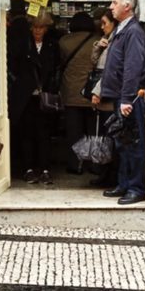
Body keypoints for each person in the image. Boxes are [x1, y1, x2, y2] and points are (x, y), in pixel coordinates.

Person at [99, 0, 145, 205]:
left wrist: (127, 99)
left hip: (129, 98)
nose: (111, 7)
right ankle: (124, 183)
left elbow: (132, 67)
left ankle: (136, 188)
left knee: (133, 143)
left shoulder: (134, 32)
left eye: (114, 2)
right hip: (121, 96)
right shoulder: (122, 29)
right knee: (122, 142)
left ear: (127, 6)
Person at [8, 10, 59, 185]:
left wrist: (50, 88)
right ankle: (28, 169)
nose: (38, 31)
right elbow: (13, 67)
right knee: (27, 134)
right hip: (26, 98)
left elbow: (55, 70)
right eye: (35, 27)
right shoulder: (23, 45)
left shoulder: (52, 46)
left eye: (41, 28)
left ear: (46, 29)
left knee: (44, 135)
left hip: (44, 97)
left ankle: (45, 169)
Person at [58, 12, 100, 175]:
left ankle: (75, 164)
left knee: (74, 132)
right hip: (91, 93)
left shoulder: (64, 41)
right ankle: (93, 165)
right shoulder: (96, 41)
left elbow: (60, 62)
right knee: (92, 132)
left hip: (71, 92)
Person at [87, 9, 118, 188]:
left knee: (109, 138)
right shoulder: (108, 41)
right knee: (105, 137)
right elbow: (94, 63)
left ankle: (109, 176)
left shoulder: (117, 41)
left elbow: (110, 71)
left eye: (105, 23)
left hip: (108, 97)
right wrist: (98, 46)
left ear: (113, 23)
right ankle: (105, 174)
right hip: (104, 95)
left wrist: (98, 92)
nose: (102, 26)